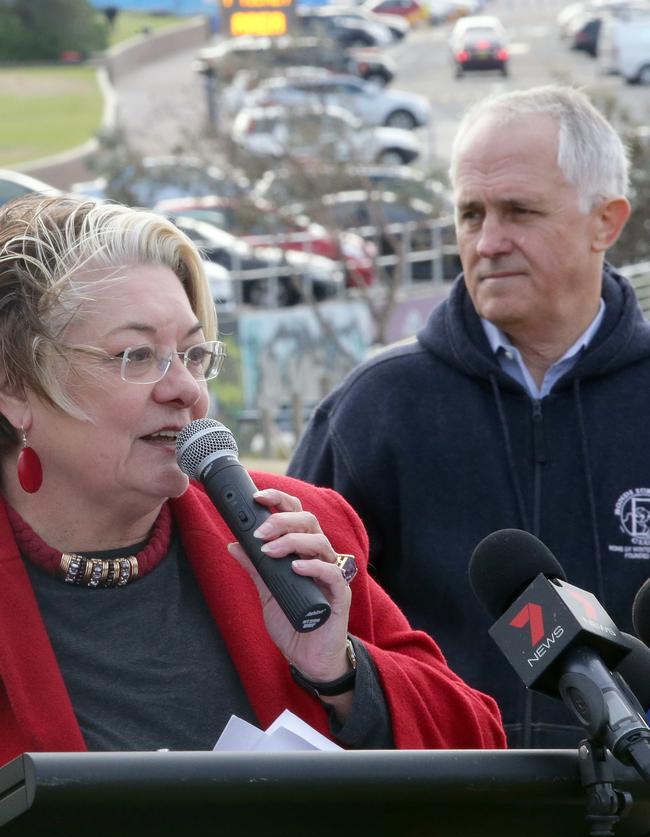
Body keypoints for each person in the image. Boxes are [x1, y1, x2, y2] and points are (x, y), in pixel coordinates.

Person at [0, 192, 504, 764]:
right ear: (14, 385)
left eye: (193, 354)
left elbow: (479, 749)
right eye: (136, 356)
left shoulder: (297, 531)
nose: (185, 390)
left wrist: (341, 672)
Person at [288, 84, 648, 749]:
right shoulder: (374, 410)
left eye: (518, 211)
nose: (488, 242)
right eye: (470, 213)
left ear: (607, 221)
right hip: (435, 818)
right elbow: (294, 633)